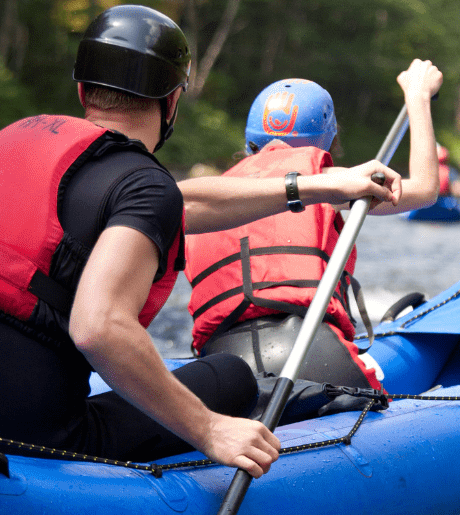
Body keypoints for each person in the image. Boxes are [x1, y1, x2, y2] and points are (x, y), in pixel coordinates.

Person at [0, 5, 401, 477]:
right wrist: (208, 429)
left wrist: (317, 187)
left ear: (85, 91)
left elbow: (181, 203)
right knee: (231, 375)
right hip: (30, 434)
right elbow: (99, 326)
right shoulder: (140, 186)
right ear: (171, 100)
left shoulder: (23, 143)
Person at [183, 60, 443, 392]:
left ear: (250, 141)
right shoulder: (326, 182)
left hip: (221, 365)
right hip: (313, 353)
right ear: (327, 140)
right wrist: (417, 97)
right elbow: (424, 189)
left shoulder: (213, 199)